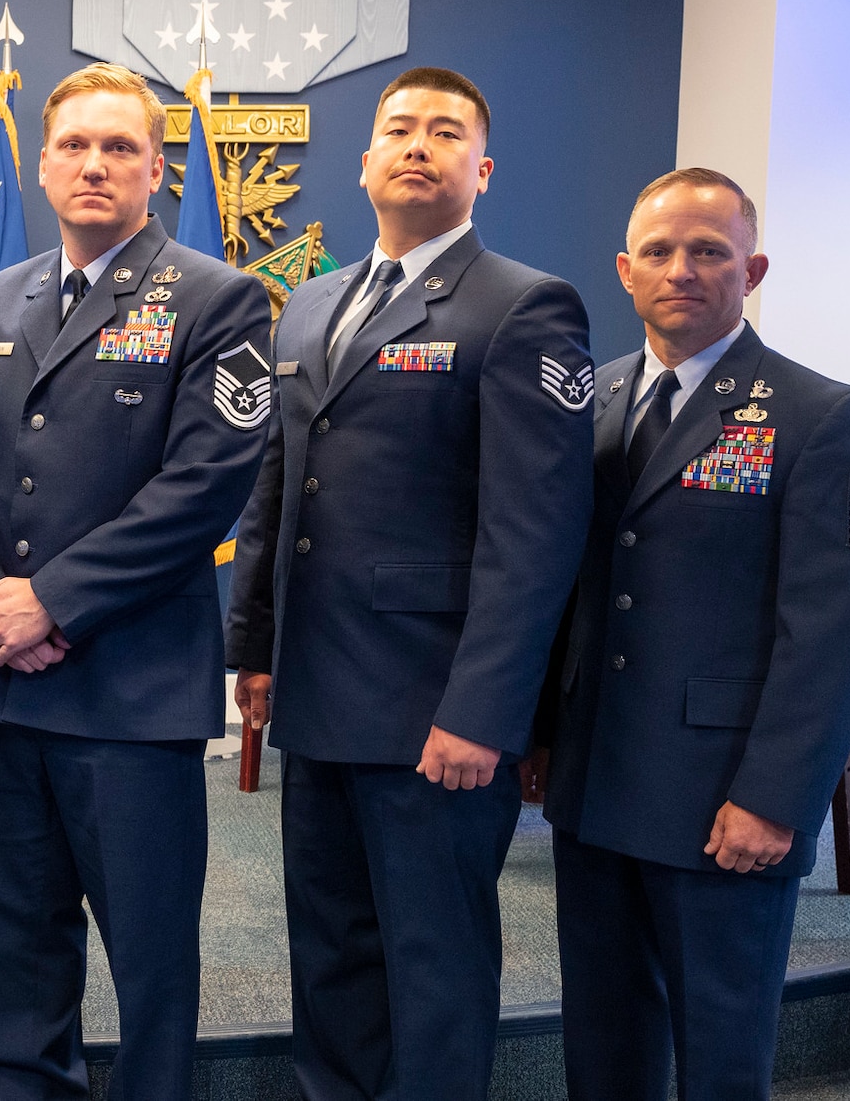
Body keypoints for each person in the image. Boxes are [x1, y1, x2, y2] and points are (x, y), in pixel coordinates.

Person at [227, 66, 595, 1100]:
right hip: (318, 692)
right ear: (364, 161)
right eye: (397, 128)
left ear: (480, 167)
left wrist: (485, 711)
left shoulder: (521, 306)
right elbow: (275, 484)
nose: (416, 145)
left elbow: (536, 534)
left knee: (432, 962)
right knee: (331, 948)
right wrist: (254, 647)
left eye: (443, 132)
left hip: (436, 709)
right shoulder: (305, 305)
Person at [0, 61, 274, 1100]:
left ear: (156, 168)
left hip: (130, 691)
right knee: (16, 939)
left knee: (150, 957)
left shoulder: (218, 301)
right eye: (74, 145)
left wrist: (53, 600)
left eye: (118, 146)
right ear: (40, 166)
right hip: (8, 680)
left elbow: (204, 486)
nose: (94, 164)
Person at [541, 168, 850, 1101]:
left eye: (709, 251)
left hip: (723, 796)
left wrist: (776, 797)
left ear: (753, 267)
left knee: (722, 1058)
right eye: (659, 251)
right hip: (596, 784)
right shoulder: (591, 399)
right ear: (624, 269)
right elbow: (562, 590)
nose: (681, 269)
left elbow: (835, 634)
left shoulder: (827, 417)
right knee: (602, 1048)